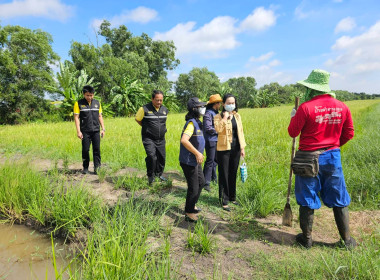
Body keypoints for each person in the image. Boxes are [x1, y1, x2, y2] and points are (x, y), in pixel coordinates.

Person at [288, 69, 356, 249]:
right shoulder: (342, 106)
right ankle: (347, 240)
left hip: (308, 158)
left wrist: (294, 117)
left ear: (312, 88)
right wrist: (332, 146)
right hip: (332, 157)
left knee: (307, 196)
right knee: (338, 196)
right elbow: (349, 133)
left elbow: (293, 132)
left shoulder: (305, 107)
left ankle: (307, 239)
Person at [214, 94, 246, 211]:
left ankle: (232, 197)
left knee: (233, 172)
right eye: (228, 103)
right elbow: (217, 129)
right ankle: (224, 200)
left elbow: (241, 132)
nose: (231, 105)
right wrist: (224, 118)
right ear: (223, 104)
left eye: (233, 103)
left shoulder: (237, 116)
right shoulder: (218, 116)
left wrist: (242, 148)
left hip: (236, 148)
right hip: (223, 149)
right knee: (224, 174)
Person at [179, 97, 207, 222]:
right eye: (200, 107)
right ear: (194, 109)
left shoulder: (197, 122)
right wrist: (197, 153)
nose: (203, 109)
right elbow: (184, 140)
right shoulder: (191, 123)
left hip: (195, 160)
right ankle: (189, 212)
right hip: (189, 160)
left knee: (201, 182)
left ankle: (192, 204)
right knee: (194, 186)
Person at [135, 90, 168, 184]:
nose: (159, 102)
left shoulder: (165, 110)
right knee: (151, 156)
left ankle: (159, 175)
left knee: (161, 157)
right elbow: (138, 119)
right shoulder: (144, 109)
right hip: (148, 138)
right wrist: (147, 128)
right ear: (152, 99)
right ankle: (151, 176)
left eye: (161, 100)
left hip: (161, 138)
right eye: (157, 100)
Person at [74, 85, 105, 174]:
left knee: (97, 150)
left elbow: (100, 116)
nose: (89, 97)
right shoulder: (78, 103)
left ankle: (97, 168)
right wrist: (78, 131)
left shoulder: (97, 103)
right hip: (85, 131)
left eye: (91, 95)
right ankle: (85, 168)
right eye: (87, 95)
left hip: (96, 130)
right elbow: (76, 117)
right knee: (85, 150)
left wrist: (103, 128)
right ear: (84, 94)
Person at [203, 94, 223, 192]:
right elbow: (208, 128)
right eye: (219, 103)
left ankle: (213, 178)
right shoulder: (208, 113)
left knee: (215, 160)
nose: (220, 105)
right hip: (210, 140)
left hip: (216, 139)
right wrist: (219, 131)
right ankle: (205, 182)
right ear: (215, 104)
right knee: (210, 161)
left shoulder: (216, 113)